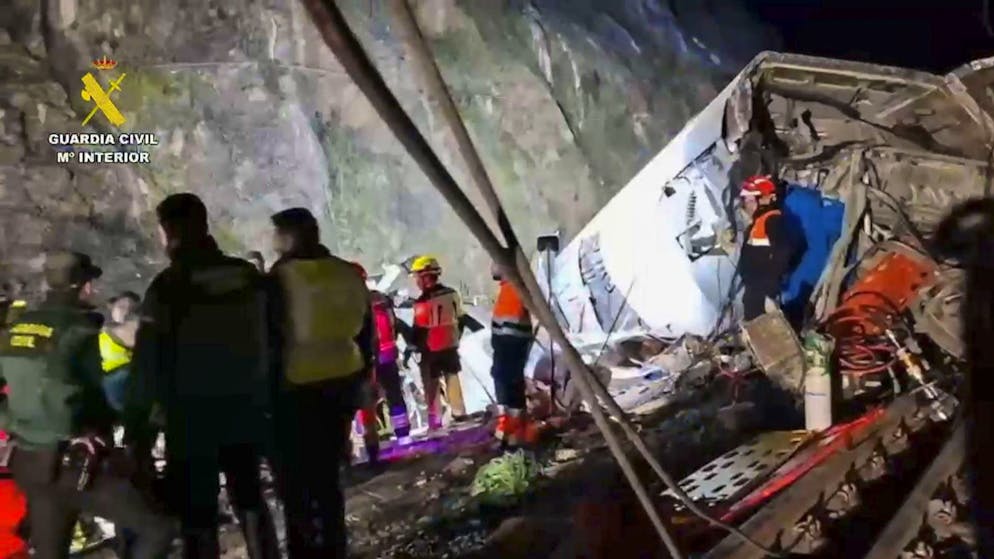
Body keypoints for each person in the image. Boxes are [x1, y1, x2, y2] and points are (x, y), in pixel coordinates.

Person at [125, 194, 278, 559]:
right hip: (247, 409)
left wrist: (138, 435)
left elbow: (147, 366)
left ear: (170, 232)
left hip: (191, 419)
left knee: (198, 516)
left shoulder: (168, 286)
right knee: (250, 499)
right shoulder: (247, 276)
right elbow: (278, 339)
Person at [0, 252, 172, 559]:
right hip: (74, 465)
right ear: (83, 286)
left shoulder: (18, 328)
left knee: (50, 552)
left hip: (28, 463)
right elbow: (96, 397)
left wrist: (11, 422)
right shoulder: (78, 331)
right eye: (90, 283)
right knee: (157, 529)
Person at [267, 207, 373, 558]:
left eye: (277, 235)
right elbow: (366, 333)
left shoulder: (281, 278)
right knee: (328, 478)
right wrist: (362, 378)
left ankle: (305, 551)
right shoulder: (347, 272)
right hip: (343, 382)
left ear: (289, 236)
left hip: (297, 388)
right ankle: (334, 547)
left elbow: (271, 338)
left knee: (296, 484)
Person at [406, 255, 467, 430]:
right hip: (450, 345)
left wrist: (414, 346)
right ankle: (460, 415)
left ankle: (435, 422)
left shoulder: (423, 302)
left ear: (425, 277)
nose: (416, 281)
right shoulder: (452, 294)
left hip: (430, 349)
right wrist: (455, 338)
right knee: (452, 378)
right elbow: (461, 319)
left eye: (417, 277)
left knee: (431, 384)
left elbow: (419, 330)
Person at [354, 262, 411, 443]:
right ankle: (403, 433)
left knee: (366, 399)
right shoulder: (381, 298)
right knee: (394, 394)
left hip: (366, 358)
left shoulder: (350, 303)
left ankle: (372, 439)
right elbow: (393, 323)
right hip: (388, 353)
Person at [489, 263, 537, 448]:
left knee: (508, 383)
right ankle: (510, 431)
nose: (492, 267)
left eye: (495, 263)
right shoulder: (508, 289)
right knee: (506, 382)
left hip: (513, 343)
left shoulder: (516, 288)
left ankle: (512, 432)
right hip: (505, 343)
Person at [738, 175, 795, 321]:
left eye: (750, 200)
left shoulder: (772, 220)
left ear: (763, 200)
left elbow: (784, 251)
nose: (747, 205)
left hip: (761, 290)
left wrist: (769, 285)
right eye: (746, 201)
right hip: (754, 288)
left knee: (762, 329)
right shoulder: (758, 223)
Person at [99, 292, 140, 412]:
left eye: (132, 309)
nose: (126, 311)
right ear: (112, 308)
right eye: (121, 307)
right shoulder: (102, 331)